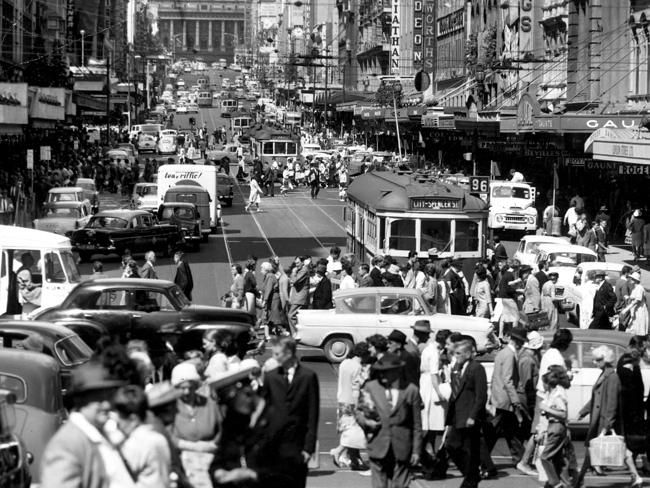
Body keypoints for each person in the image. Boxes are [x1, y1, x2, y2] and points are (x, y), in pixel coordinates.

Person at [40, 361, 133, 488]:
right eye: (99, 399)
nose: (107, 405)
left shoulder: (102, 433)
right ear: (80, 401)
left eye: (109, 397)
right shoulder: (67, 444)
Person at [209, 364, 294, 488]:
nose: (230, 408)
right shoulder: (233, 420)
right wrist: (219, 473)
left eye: (233, 402)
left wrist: (254, 474)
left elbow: (289, 466)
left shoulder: (279, 420)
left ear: (247, 392)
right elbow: (220, 457)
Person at [576, 346, 643, 487]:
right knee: (623, 451)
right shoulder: (605, 375)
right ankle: (635, 476)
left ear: (605, 360)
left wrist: (607, 425)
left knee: (594, 449)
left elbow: (612, 403)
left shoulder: (612, 377)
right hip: (601, 418)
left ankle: (579, 480)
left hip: (604, 420)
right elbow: (596, 398)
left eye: (598, 359)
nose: (595, 362)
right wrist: (583, 411)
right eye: (594, 359)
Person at [355, 353, 422, 488]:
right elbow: (359, 412)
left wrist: (416, 450)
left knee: (400, 484)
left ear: (397, 371)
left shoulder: (411, 390)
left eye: (386, 372)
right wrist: (367, 423)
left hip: (402, 445)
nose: (383, 376)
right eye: (381, 372)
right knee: (380, 484)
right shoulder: (371, 387)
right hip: (378, 443)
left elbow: (416, 423)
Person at [263, 337, 320, 488]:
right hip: (274, 446)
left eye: (277, 354)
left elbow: (312, 414)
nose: (273, 358)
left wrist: (309, 448)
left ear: (288, 353)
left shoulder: (308, 377)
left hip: (297, 445)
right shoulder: (271, 377)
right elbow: (264, 411)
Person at [445, 339, 488, 488]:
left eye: (459, 354)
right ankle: (472, 474)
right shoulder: (458, 368)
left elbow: (481, 396)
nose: (456, 356)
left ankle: (471, 478)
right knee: (451, 445)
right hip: (457, 414)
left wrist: (473, 416)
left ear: (468, 354)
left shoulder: (477, 368)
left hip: (469, 415)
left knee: (470, 449)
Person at [171, 362, 221, 488]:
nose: (187, 392)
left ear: (196, 386)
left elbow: (221, 430)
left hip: (210, 459)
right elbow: (168, 435)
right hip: (182, 463)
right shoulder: (171, 408)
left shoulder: (209, 404)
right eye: (182, 388)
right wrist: (192, 447)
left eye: (190, 387)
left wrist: (212, 445)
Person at [113, 385, 171, 488]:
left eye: (120, 419)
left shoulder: (134, 444)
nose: (117, 423)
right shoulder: (159, 437)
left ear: (133, 419)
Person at [488, 327, 526, 465]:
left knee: (511, 431)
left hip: (499, 396)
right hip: (505, 399)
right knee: (494, 432)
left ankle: (520, 459)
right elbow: (508, 379)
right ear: (519, 342)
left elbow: (495, 376)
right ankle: (482, 458)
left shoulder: (502, 353)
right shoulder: (510, 355)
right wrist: (516, 400)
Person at [145, 382, 192, 488]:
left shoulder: (156, 427)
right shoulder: (157, 433)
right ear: (165, 409)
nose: (177, 411)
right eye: (174, 406)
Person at [331, 342, 369, 470]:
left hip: (342, 399)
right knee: (355, 431)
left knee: (348, 429)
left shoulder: (344, 363)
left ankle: (354, 458)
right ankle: (339, 450)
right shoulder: (357, 367)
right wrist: (359, 405)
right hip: (352, 402)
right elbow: (356, 387)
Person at [537, 365, 572, 488]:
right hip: (553, 426)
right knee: (558, 460)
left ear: (548, 384)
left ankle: (555, 483)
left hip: (557, 427)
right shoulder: (551, 394)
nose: (543, 386)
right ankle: (566, 484)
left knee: (545, 457)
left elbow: (563, 413)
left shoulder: (557, 395)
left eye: (544, 383)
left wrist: (546, 409)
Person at [419, 329, 448, 475]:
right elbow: (434, 375)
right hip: (430, 387)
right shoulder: (435, 353)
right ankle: (427, 450)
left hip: (424, 384)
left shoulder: (427, 349)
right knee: (431, 422)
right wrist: (439, 393)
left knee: (429, 423)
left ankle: (429, 448)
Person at [261, 261, 287, 333]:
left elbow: (268, 288)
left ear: (266, 269)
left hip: (273, 299)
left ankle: (284, 332)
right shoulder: (268, 276)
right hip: (272, 299)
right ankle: (270, 335)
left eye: (262, 269)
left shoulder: (270, 276)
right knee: (272, 318)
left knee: (275, 318)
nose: (261, 271)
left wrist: (265, 300)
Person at [288, 256, 311, 334]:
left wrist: (293, 272)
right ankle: (300, 333)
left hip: (299, 298)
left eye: (298, 263)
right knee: (300, 317)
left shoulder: (304, 270)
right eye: (295, 263)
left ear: (302, 262)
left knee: (291, 315)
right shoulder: (301, 270)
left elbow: (294, 281)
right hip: (299, 297)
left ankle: (295, 333)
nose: (296, 265)